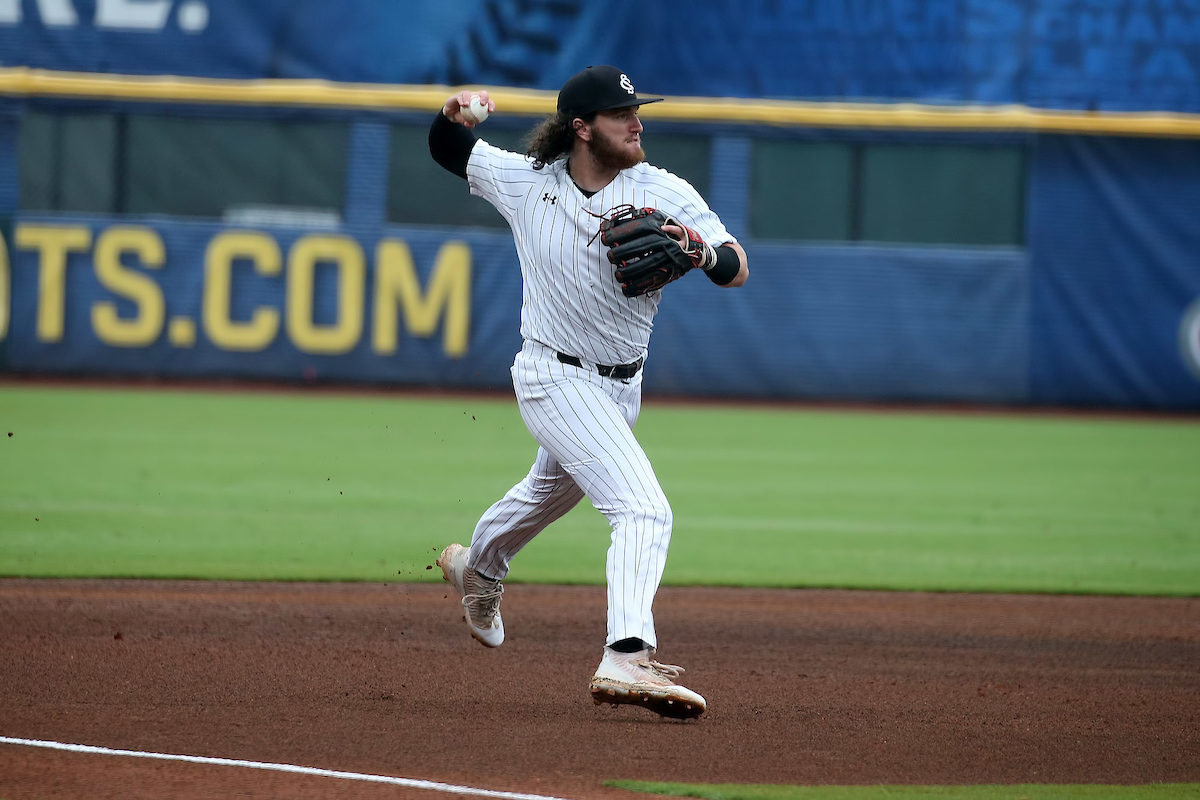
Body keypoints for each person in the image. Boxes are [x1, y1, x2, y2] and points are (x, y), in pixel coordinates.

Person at [428, 65, 748, 720]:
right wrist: (450, 113)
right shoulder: (526, 184)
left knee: (544, 494)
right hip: (550, 375)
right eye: (620, 114)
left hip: (620, 388)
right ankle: (626, 656)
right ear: (581, 128)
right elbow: (447, 149)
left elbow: (735, 266)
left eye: (638, 110)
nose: (637, 122)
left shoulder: (663, 190)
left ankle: (476, 570)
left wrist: (697, 249)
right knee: (642, 509)